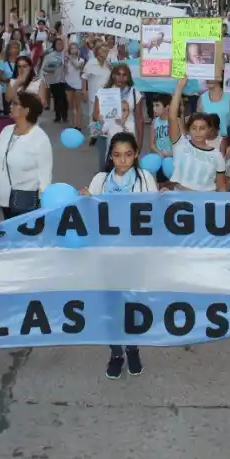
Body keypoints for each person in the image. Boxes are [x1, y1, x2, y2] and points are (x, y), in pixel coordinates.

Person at [79, 132, 158, 378]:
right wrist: (85, 200)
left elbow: (153, 213)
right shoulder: (100, 181)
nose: (123, 161)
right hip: (107, 254)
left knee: (133, 304)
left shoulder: (146, 179)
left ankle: (132, 348)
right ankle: (115, 353)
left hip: (136, 253)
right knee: (111, 304)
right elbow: (89, 214)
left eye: (128, 155)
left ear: (136, 155)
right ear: (110, 157)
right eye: (117, 155)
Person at [0, 92, 53, 218]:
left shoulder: (40, 138)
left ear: (26, 110)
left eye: (15, 104)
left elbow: (45, 174)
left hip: (26, 201)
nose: (10, 106)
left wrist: (44, 202)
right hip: (3, 197)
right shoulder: (6, 131)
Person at [168, 77, 228, 191]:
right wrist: (179, 88)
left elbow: (221, 188)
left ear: (209, 130)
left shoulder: (217, 156)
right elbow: (172, 117)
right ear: (189, 129)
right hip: (180, 198)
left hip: (205, 200)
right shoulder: (180, 145)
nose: (198, 132)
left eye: (202, 128)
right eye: (194, 128)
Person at [92, 63, 144, 169]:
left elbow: (140, 119)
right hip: (108, 136)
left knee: (128, 167)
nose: (121, 78)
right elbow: (95, 115)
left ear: (128, 77)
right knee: (108, 167)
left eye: (124, 75)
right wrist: (99, 118)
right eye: (118, 74)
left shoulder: (135, 93)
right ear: (113, 76)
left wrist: (139, 142)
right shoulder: (103, 92)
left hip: (129, 135)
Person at [82, 43, 113, 146]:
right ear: (97, 51)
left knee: (106, 114)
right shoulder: (91, 63)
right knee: (93, 114)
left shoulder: (108, 64)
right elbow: (84, 77)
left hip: (106, 94)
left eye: (107, 51)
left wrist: (112, 68)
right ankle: (94, 134)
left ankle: (104, 133)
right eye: (103, 50)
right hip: (94, 93)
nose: (105, 53)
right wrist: (84, 90)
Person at [149, 94, 174, 185]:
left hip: (173, 159)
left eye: (157, 105)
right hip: (160, 159)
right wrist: (159, 153)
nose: (154, 109)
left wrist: (171, 153)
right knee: (162, 185)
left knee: (173, 185)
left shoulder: (174, 122)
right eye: (153, 106)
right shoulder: (154, 122)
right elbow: (152, 144)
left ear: (167, 107)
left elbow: (181, 142)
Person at [42, 38, 69, 123]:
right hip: (53, 80)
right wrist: (50, 70)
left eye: (61, 43)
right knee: (57, 98)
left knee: (63, 98)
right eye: (58, 44)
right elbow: (44, 68)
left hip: (65, 80)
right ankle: (58, 116)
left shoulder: (66, 54)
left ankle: (64, 116)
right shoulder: (50, 56)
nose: (59, 45)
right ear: (54, 45)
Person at [63, 41, 86, 128]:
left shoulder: (81, 60)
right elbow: (65, 72)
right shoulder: (67, 59)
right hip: (68, 83)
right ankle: (72, 124)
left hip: (78, 84)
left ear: (78, 50)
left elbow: (77, 66)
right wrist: (65, 63)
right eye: (71, 48)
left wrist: (70, 58)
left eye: (75, 48)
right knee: (70, 105)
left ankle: (78, 125)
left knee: (78, 105)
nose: (73, 50)